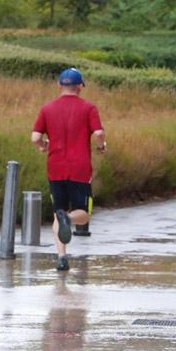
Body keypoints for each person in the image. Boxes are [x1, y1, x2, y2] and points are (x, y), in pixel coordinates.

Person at [31, 67, 106, 271]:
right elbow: (99, 132)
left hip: (55, 167)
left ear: (59, 85)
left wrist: (42, 147)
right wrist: (101, 147)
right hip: (80, 168)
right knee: (84, 213)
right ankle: (69, 218)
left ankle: (61, 257)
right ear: (80, 86)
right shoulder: (89, 108)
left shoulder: (47, 108)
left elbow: (35, 138)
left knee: (58, 212)